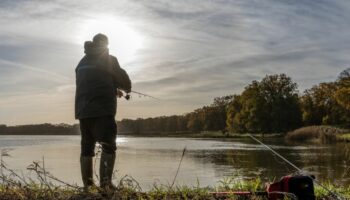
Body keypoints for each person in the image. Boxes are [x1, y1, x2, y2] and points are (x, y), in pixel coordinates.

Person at [75, 33, 131, 190]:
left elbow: (92, 83)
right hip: (103, 111)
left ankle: (88, 186)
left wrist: (112, 88)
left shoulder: (81, 62)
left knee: (86, 148)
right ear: (106, 45)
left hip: (83, 112)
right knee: (108, 146)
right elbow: (126, 83)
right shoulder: (109, 59)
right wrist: (120, 88)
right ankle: (106, 185)